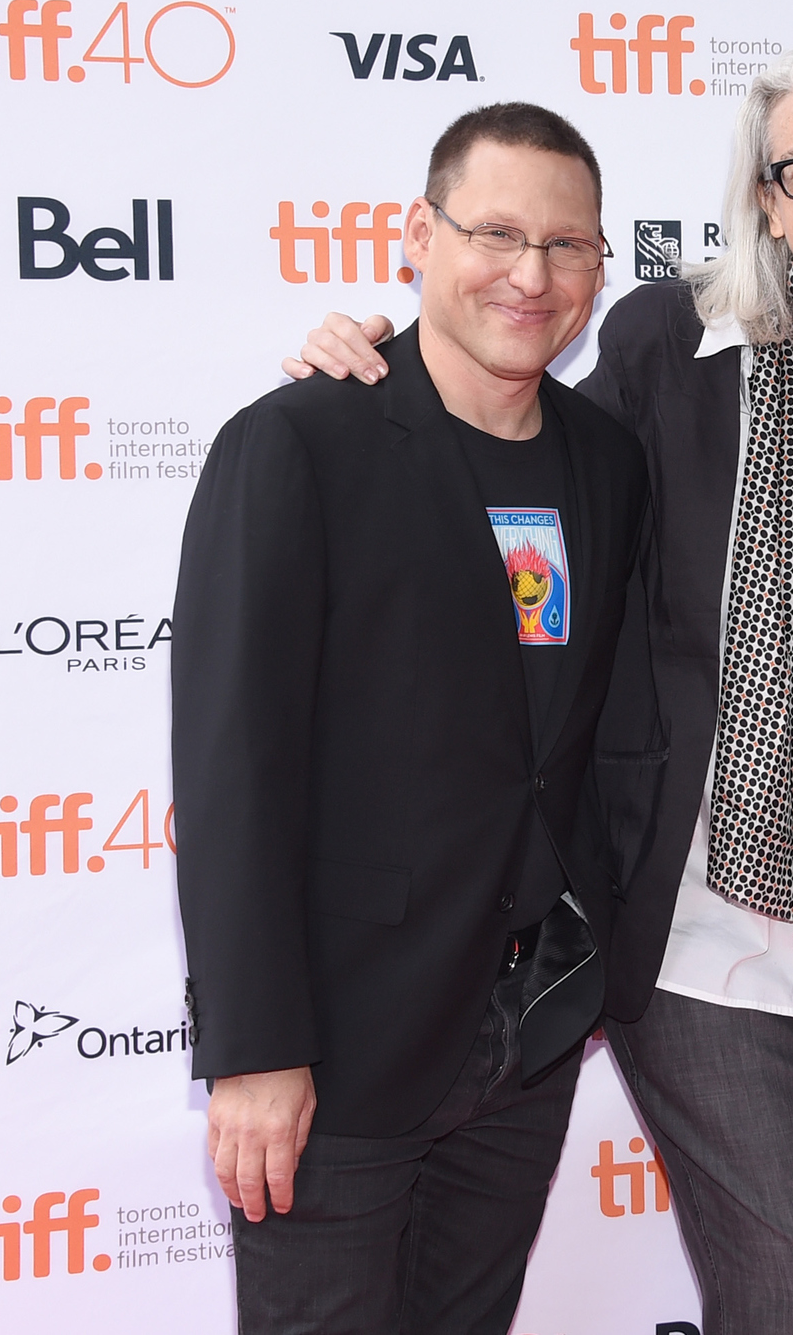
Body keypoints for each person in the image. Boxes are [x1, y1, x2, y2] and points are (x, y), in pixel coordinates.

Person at [288, 41, 793, 1335]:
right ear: (766, 196)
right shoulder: (670, 344)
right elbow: (523, 465)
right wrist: (376, 377)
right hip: (704, 936)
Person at [173, 103, 649, 1334]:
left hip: (527, 1030)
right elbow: (234, 773)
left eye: (568, 245)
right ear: (415, 236)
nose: (530, 274)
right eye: (495, 232)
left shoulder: (607, 459)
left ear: (602, 264)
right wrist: (256, 1049)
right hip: (339, 1045)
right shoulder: (298, 446)